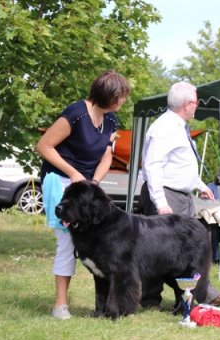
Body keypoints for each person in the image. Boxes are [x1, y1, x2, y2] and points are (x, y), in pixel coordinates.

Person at [36, 70, 130, 319]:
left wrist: (95, 182)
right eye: (121, 97)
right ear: (110, 96)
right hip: (62, 181)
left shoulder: (111, 120)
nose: (123, 102)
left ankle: (106, 303)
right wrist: (74, 173)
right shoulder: (76, 114)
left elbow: (107, 155)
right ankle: (60, 305)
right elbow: (44, 145)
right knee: (68, 241)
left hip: (88, 185)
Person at [140, 81, 220, 307]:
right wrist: (160, 202)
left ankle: (188, 297)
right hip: (167, 196)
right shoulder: (165, 127)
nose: (197, 106)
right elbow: (152, 165)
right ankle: (155, 299)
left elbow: (181, 163)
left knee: (183, 249)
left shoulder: (177, 126)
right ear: (188, 104)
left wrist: (200, 184)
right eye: (196, 102)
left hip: (182, 195)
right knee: (162, 251)